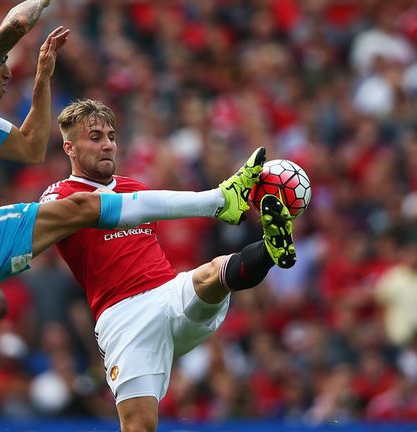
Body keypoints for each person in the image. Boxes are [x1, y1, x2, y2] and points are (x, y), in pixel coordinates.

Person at [0, 1, 293, 430]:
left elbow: (33, 145)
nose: (8, 72)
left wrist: (43, 78)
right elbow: (15, 26)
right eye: (3, 66)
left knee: (79, 209)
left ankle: (222, 201)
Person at [37, 99, 297, 431]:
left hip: (168, 293)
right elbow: (85, 213)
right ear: (69, 147)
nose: (107, 145)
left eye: (111, 136)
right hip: (123, 318)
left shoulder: (136, 188)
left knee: (211, 274)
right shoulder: (57, 196)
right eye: (96, 137)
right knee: (139, 426)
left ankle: (272, 249)